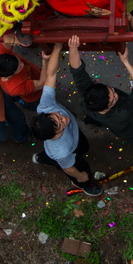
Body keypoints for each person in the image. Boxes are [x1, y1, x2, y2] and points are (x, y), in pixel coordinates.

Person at [30, 43, 103, 197]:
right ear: (55, 135)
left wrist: (57, 48)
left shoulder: (46, 106)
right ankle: (84, 185)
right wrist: (79, 176)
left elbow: (50, 75)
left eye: (57, 115)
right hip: (67, 154)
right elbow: (68, 168)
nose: (64, 118)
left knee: (83, 147)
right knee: (83, 170)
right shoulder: (61, 152)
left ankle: (41, 157)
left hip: (74, 138)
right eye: (61, 123)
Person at [0, 34, 45, 111]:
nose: (22, 64)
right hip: (35, 97)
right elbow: (42, 83)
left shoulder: (1, 56)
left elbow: (6, 40)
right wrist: (45, 61)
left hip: (35, 77)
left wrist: (13, 38)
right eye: (20, 67)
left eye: (19, 61)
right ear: (11, 75)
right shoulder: (15, 87)